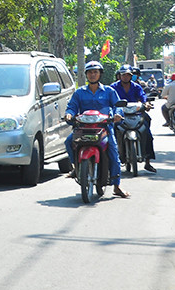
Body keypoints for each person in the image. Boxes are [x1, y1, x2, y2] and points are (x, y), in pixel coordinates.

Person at [64, 60, 128, 197]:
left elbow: (118, 106)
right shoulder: (79, 92)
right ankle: (76, 166)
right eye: (90, 72)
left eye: (95, 72)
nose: (93, 75)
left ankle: (117, 186)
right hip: (83, 128)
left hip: (104, 127)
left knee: (113, 152)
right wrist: (69, 114)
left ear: (100, 74)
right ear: (86, 75)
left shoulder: (109, 91)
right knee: (68, 142)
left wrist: (117, 115)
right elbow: (72, 106)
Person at [110, 64, 157, 172]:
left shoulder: (136, 87)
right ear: (119, 76)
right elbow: (109, 99)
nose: (125, 77)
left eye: (128, 75)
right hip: (120, 115)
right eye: (123, 75)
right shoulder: (113, 87)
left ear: (131, 76)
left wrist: (146, 104)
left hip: (136, 114)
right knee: (111, 133)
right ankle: (112, 160)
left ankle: (148, 162)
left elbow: (143, 98)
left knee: (147, 131)